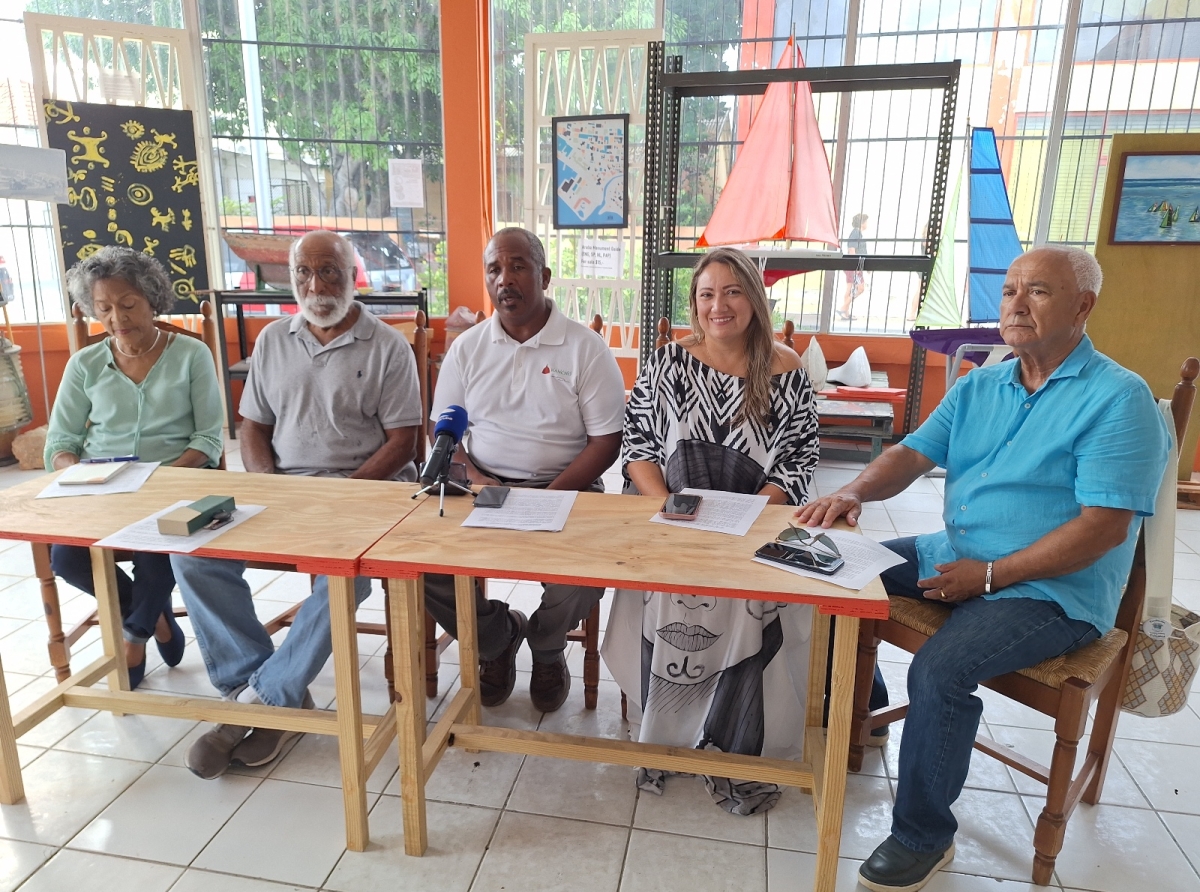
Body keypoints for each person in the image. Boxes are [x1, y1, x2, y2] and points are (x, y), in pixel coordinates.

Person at [796, 245, 1169, 892]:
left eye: (1039, 292)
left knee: (941, 667)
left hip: (1054, 590)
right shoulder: (980, 385)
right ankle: (868, 708)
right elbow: (911, 455)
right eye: (1009, 291)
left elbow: (1104, 529)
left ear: (1084, 306)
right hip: (958, 556)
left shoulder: (1119, 399)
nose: (1016, 305)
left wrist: (990, 577)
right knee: (824, 564)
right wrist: (854, 492)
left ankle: (922, 835)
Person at [171, 230, 423, 779]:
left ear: (353, 276)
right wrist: (270, 485)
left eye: (329, 271)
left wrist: (337, 494)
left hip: (362, 492)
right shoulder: (271, 341)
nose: (316, 285)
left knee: (345, 579)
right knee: (192, 552)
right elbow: (252, 426)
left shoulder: (388, 347)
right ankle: (265, 691)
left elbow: (404, 442)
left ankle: (259, 704)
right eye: (304, 273)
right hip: (282, 488)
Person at [601, 246, 820, 815]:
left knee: (747, 609)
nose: (717, 305)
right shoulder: (670, 363)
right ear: (693, 304)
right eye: (705, 294)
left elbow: (798, 463)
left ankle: (731, 745)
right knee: (672, 606)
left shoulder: (787, 370)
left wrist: (747, 517)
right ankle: (665, 740)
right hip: (672, 525)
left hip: (750, 529)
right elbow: (638, 450)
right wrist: (670, 508)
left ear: (753, 296)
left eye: (731, 291)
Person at [423, 227, 624, 713]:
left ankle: (547, 646)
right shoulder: (468, 348)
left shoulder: (585, 348)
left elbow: (607, 441)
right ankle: (497, 637)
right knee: (417, 563)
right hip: (483, 484)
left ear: (544, 275)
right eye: (494, 269)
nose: (504, 279)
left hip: (567, 486)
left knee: (591, 564)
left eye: (518, 266)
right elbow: (443, 432)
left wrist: (549, 496)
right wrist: (474, 477)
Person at [44, 246, 222, 688]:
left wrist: (164, 476)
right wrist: (74, 470)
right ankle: (153, 620)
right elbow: (60, 442)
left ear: (151, 299)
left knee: (158, 552)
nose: (116, 318)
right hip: (102, 488)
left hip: (172, 485)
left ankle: (135, 636)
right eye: (102, 308)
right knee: (65, 559)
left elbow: (209, 439)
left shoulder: (191, 355)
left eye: (127, 305)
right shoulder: (84, 364)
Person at [838, 212, 869, 321]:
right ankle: (843, 308)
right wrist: (855, 267)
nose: (867, 224)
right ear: (862, 223)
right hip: (853, 265)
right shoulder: (856, 233)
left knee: (850, 287)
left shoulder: (857, 233)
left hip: (852, 265)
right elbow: (852, 250)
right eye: (866, 222)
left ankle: (845, 313)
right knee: (860, 288)